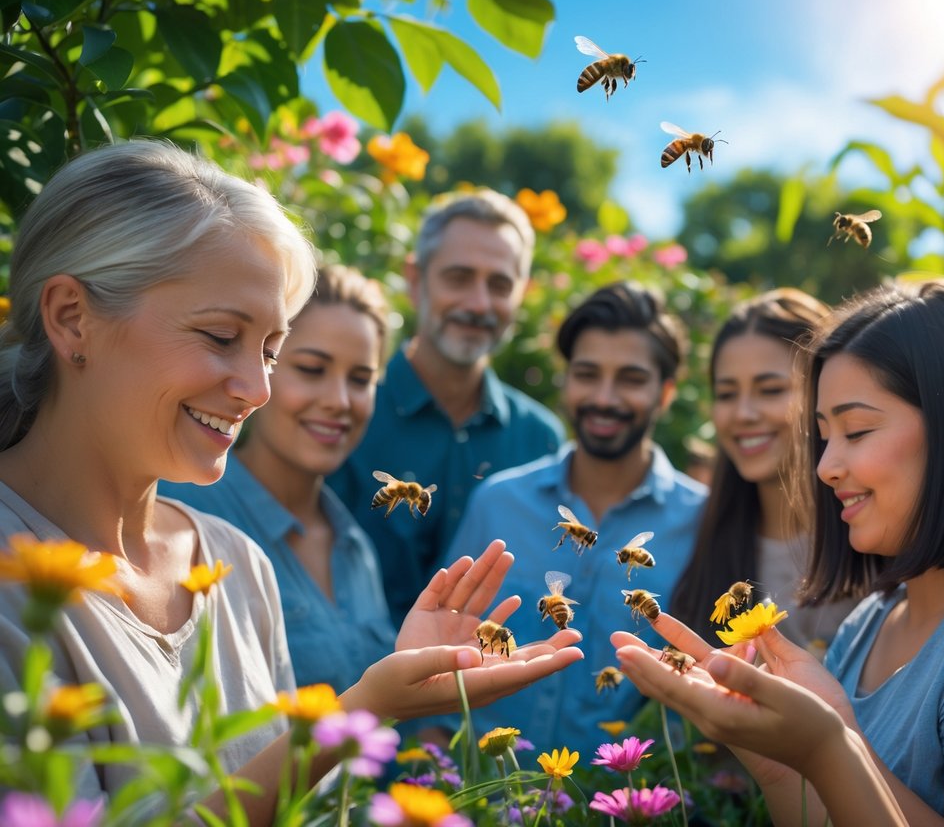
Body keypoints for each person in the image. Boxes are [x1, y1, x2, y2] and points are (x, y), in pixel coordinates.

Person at [0, 140, 582, 823]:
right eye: (220, 336)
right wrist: (366, 707)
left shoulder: (233, 565)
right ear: (73, 317)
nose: (256, 390)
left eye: (271, 352)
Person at [612, 280, 944, 826]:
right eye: (823, 436)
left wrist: (832, 746)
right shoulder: (867, 625)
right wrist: (778, 762)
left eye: (857, 430)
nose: (826, 466)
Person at [428, 281, 708, 756]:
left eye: (631, 378)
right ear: (566, 380)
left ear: (664, 394)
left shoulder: (701, 523)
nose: (604, 396)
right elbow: (438, 650)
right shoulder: (498, 503)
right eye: (587, 373)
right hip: (487, 797)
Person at [329, 189, 565, 627]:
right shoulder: (346, 412)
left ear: (522, 293)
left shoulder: (540, 438)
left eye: (500, 284)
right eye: (458, 277)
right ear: (415, 280)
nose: (478, 303)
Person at [161, 264, 396, 692]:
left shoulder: (355, 547)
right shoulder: (181, 514)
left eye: (361, 380)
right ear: (261, 367)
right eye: (311, 369)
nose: (339, 401)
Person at [670, 288, 858, 653]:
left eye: (770, 390)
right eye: (726, 394)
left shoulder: (874, 537)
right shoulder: (693, 535)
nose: (743, 413)